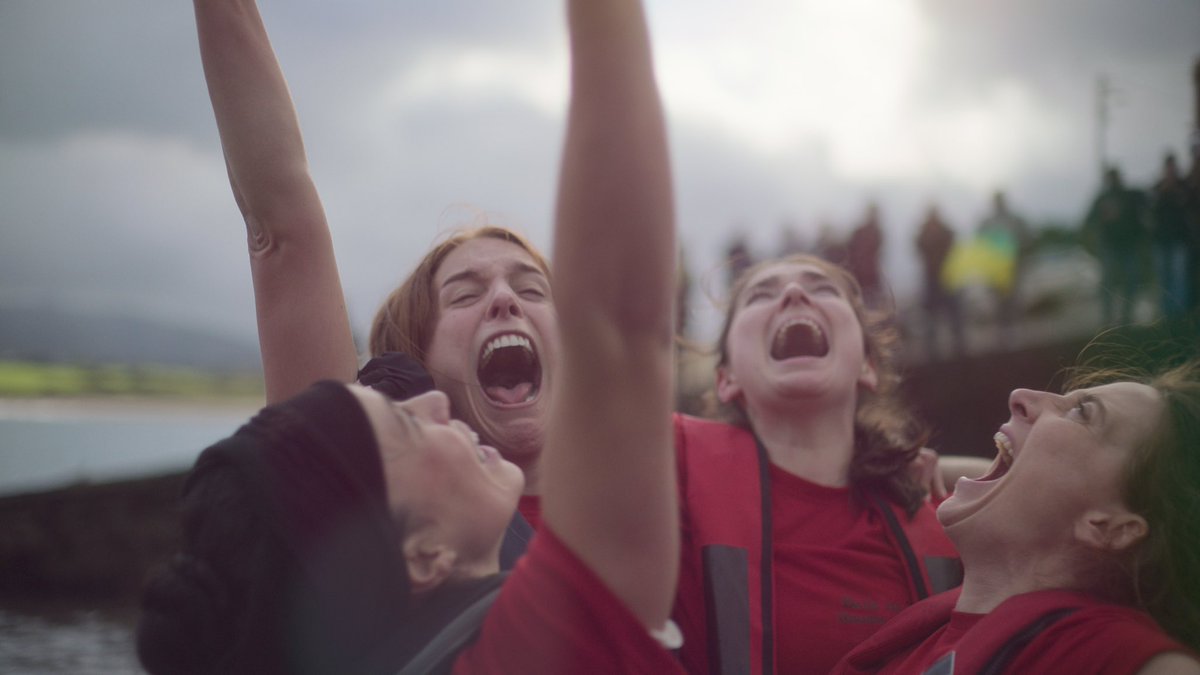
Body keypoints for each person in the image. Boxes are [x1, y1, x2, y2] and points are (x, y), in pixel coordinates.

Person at [139, 0, 680, 672]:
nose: (422, 404)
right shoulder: (534, 643)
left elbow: (281, 224)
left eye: (532, 287)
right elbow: (621, 325)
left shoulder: (349, 617)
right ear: (422, 555)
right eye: (465, 292)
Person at [671, 253, 965, 675]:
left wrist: (948, 472)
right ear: (725, 379)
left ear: (867, 366)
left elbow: (1073, 481)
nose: (793, 293)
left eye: (823, 289)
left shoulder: (951, 517)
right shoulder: (670, 479)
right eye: (760, 295)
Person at [833, 358, 1200, 674]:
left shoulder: (1102, 647)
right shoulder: (915, 642)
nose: (1020, 396)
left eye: (1082, 413)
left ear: (1110, 527)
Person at [1083, 167, 1150, 327]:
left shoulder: (1129, 195)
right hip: (1110, 247)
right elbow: (1090, 220)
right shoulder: (1102, 198)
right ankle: (1108, 318)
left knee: (1130, 281)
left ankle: (1127, 317)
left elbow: (1144, 207)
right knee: (1108, 282)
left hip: (1129, 246)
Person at [976, 190, 1032, 347]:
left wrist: (1021, 255)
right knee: (999, 303)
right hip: (995, 270)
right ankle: (1000, 335)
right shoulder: (987, 222)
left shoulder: (1015, 219)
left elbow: (1027, 238)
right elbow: (980, 244)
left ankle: (1017, 333)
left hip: (1013, 267)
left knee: (1014, 301)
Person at [914, 204, 964, 360]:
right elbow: (918, 246)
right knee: (931, 315)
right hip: (932, 278)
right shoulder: (925, 231)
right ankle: (932, 348)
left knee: (953, 313)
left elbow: (953, 244)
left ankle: (959, 345)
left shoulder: (943, 230)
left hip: (946, 277)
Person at [1149, 153, 1193, 319]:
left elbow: (1188, 206)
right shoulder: (1157, 187)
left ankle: (1180, 314)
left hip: (1179, 240)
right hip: (1161, 241)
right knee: (1163, 279)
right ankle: (1165, 314)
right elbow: (1151, 211)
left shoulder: (1184, 186)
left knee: (1179, 277)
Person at [847, 202, 886, 308]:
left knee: (872, 298)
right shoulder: (860, 231)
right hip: (860, 272)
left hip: (871, 272)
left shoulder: (877, 232)